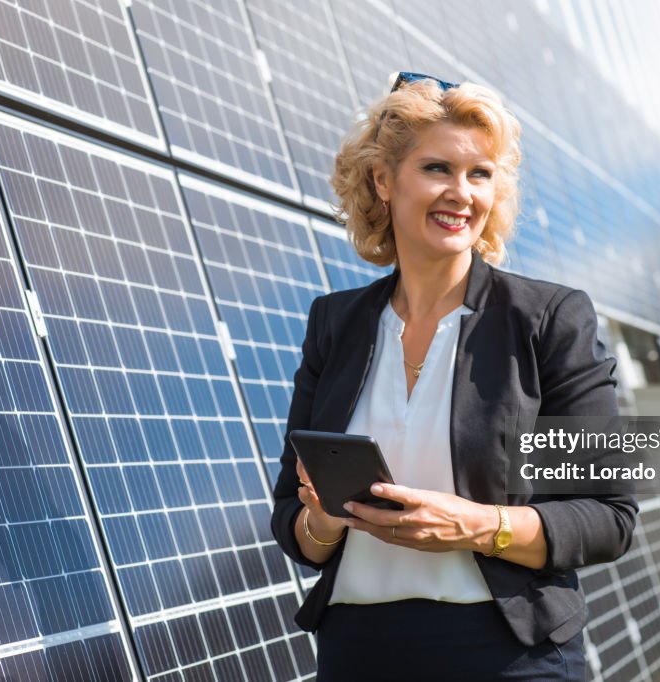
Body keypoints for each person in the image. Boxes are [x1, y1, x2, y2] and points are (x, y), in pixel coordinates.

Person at [270, 72, 638, 681]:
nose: (461, 194)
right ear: (383, 180)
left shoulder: (546, 321)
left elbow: (608, 516)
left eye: (480, 174)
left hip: (507, 656)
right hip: (358, 653)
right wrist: (325, 517)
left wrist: (475, 526)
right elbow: (296, 524)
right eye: (437, 168)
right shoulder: (335, 324)